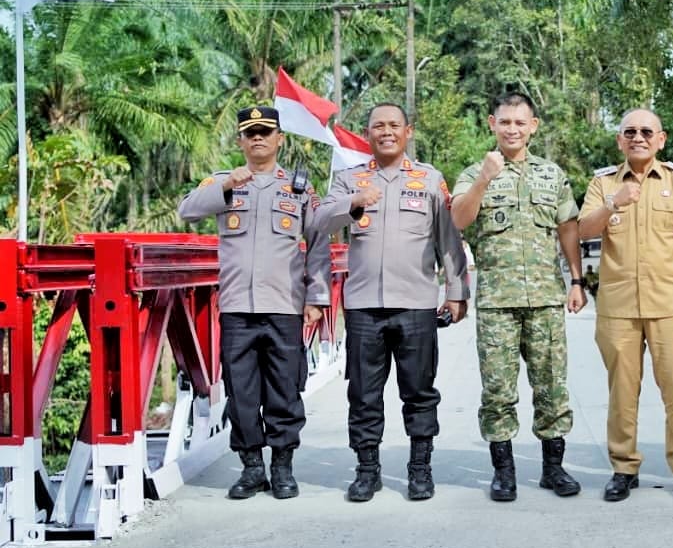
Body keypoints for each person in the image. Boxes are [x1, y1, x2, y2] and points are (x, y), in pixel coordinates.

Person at [314, 102, 469, 503]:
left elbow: (447, 239)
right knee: (364, 394)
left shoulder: (429, 179)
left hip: (416, 304)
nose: (386, 131)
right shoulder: (349, 180)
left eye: (394, 125)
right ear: (368, 133)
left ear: (408, 131)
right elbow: (319, 221)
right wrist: (354, 201)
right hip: (365, 305)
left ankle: (420, 470)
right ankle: (367, 471)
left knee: (419, 392)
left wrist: (456, 291)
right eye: (378, 126)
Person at [177, 105, 329, 500]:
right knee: (241, 392)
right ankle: (251, 468)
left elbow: (318, 243)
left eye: (266, 131)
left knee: (283, 390)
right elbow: (187, 211)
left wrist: (317, 297)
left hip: (284, 306)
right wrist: (227, 187)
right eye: (251, 133)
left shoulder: (298, 189)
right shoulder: (224, 183)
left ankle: (282, 468)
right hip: (237, 308)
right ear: (241, 141)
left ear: (280, 139)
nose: (258, 138)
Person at [450, 92, 587, 502]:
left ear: (533, 126)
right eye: (504, 122)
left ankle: (553, 468)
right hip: (497, 303)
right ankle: (503, 472)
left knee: (551, 387)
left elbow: (568, 228)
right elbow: (458, 219)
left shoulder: (552, 174)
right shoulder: (476, 171)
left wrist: (577, 281)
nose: (512, 129)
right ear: (492, 123)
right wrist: (483, 180)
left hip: (545, 298)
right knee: (498, 391)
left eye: (520, 122)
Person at [579, 108, 673, 504]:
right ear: (619, 140)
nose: (638, 137)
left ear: (661, 139)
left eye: (646, 131)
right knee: (621, 392)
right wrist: (614, 204)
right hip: (618, 306)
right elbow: (582, 229)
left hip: (670, 302)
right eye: (630, 132)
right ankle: (623, 467)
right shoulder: (602, 184)